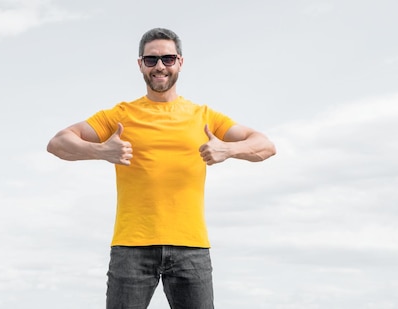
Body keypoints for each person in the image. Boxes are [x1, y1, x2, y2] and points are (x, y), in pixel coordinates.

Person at [47, 27, 276, 309]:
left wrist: (228, 149)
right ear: (140, 64)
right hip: (132, 247)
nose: (159, 66)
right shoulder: (120, 115)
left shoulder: (204, 116)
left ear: (180, 62)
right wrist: (100, 151)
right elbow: (58, 143)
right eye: (151, 59)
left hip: (191, 248)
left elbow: (265, 145)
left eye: (167, 59)